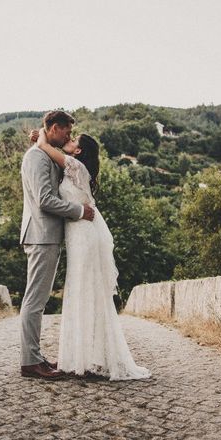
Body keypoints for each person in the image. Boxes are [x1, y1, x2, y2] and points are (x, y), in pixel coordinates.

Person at [33, 127, 151, 381]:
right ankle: (84, 357)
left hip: (84, 235)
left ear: (79, 150)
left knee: (85, 290)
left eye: (73, 140)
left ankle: (89, 359)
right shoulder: (73, 167)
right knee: (81, 290)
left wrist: (41, 134)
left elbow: (44, 147)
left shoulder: (76, 166)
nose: (69, 140)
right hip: (78, 234)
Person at [19, 110, 95, 380]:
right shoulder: (37, 157)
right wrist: (78, 211)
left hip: (47, 235)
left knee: (38, 300)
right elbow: (45, 200)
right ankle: (30, 362)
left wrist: (41, 140)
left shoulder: (43, 151)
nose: (68, 136)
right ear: (53, 128)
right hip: (41, 235)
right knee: (35, 301)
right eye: (66, 131)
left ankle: (35, 356)